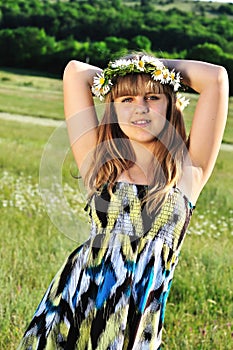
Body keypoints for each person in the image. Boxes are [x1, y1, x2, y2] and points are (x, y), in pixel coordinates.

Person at [18, 53, 228, 349]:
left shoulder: (187, 171)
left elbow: (216, 78)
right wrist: (130, 70)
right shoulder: (100, 164)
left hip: (139, 317)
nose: (140, 108)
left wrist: (151, 67)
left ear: (170, 103)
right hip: (74, 304)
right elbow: (76, 73)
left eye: (152, 97)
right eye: (126, 100)